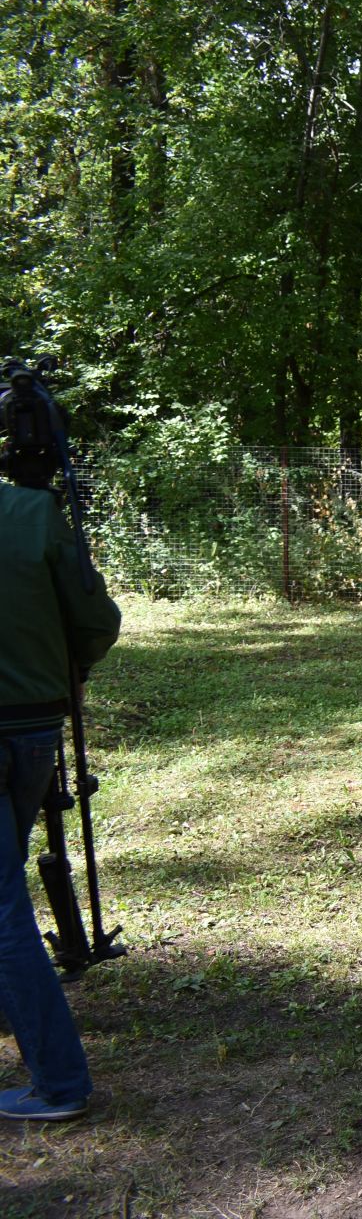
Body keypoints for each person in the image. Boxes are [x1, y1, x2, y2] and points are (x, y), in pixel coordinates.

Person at [0, 478, 120, 1121]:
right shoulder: (33, 511)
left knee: (2, 908)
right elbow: (98, 621)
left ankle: (59, 1082)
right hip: (35, 728)